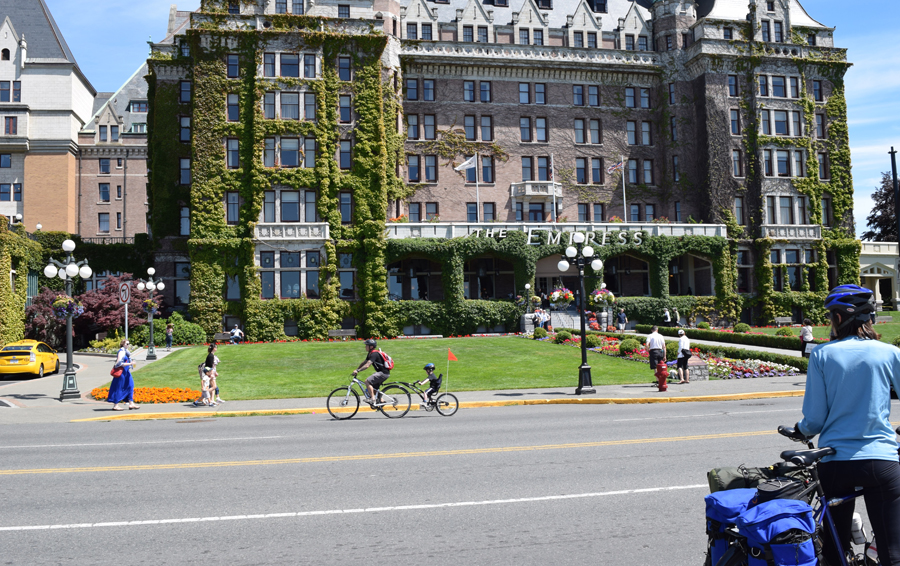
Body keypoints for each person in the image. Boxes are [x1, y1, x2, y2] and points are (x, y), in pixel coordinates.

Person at [791, 285, 900, 565]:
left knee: (834, 550)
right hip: (881, 461)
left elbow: (814, 419)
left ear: (839, 319)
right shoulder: (889, 353)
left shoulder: (823, 354)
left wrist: (800, 431)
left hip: (836, 462)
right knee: (893, 551)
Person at [352, 339, 391, 405]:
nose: (365, 347)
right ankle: (381, 401)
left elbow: (367, 365)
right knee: (374, 389)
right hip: (382, 373)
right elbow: (364, 362)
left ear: (371, 347)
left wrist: (358, 370)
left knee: (367, 381)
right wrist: (357, 369)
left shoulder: (374, 354)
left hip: (383, 373)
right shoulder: (370, 354)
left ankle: (372, 399)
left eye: (366, 345)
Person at [107, 339, 139, 411]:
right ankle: (116, 405)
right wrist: (130, 364)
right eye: (127, 344)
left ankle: (131, 403)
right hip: (121, 373)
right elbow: (118, 363)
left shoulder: (126, 352)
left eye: (128, 344)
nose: (128, 345)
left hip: (126, 372)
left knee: (130, 385)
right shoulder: (121, 352)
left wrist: (130, 363)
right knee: (119, 387)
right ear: (123, 344)